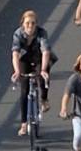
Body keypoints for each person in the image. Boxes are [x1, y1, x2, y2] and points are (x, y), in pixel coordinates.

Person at [10, 10, 54, 138]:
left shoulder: (41, 33)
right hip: (24, 60)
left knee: (42, 78)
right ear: (23, 23)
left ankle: (44, 99)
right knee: (24, 91)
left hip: (39, 58)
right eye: (27, 23)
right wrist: (17, 71)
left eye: (33, 23)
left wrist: (44, 70)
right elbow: (15, 54)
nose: (30, 26)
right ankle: (24, 123)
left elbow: (45, 52)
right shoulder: (18, 34)